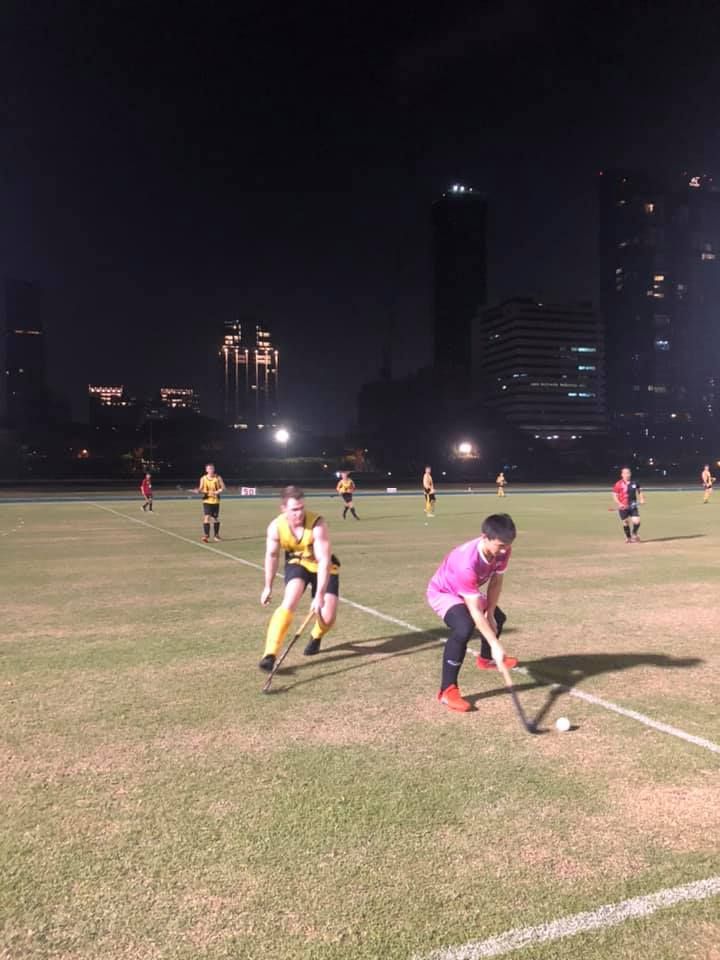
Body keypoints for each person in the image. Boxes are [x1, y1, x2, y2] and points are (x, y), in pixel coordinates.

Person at [427, 514, 518, 712]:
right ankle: (447, 690)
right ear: (485, 537)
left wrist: (491, 613)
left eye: (508, 545)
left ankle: (485, 660)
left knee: (498, 618)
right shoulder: (466, 562)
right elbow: (475, 612)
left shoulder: (503, 550)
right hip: (444, 593)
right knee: (464, 626)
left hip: (468, 592)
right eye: (500, 545)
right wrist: (495, 643)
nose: (504, 550)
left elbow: (496, 581)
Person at [259, 485, 340, 671]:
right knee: (290, 599)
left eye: (302, 508)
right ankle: (269, 654)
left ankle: (317, 635)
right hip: (298, 563)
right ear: (284, 509)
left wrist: (319, 595)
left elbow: (324, 560)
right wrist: (267, 587)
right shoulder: (275, 527)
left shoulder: (317, 524)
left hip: (324, 567)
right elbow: (272, 556)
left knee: (327, 618)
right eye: (294, 509)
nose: (300, 513)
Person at [612, 466, 645, 542]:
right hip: (623, 507)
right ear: (622, 474)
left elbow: (639, 490)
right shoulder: (618, 484)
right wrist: (619, 504)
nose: (627, 474)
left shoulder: (635, 483)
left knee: (637, 521)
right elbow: (614, 495)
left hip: (633, 505)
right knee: (626, 522)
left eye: (628, 473)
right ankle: (628, 537)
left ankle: (634, 533)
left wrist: (642, 499)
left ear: (630, 474)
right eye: (625, 473)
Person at [196, 463, 225, 542]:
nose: (210, 470)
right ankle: (206, 535)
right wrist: (198, 491)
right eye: (209, 469)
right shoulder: (203, 478)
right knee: (207, 517)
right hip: (207, 501)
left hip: (215, 501)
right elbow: (201, 488)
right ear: (206, 470)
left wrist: (216, 492)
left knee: (215, 519)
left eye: (212, 468)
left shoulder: (218, 478)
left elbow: (223, 487)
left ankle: (216, 536)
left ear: (214, 469)